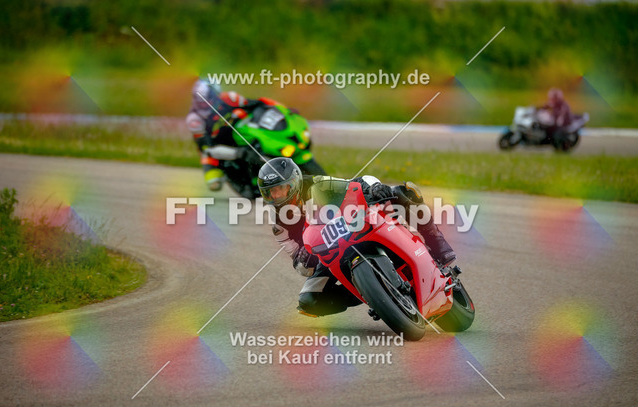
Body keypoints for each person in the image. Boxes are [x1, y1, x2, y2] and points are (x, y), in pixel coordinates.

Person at [257, 157, 456, 317]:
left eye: (280, 189)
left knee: (401, 192)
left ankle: (437, 244)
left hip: (353, 224)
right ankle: (372, 295)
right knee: (310, 301)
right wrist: (303, 259)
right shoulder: (280, 225)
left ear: (294, 182)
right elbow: (298, 263)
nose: (276, 197)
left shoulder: (317, 183)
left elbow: (355, 183)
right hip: (327, 254)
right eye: (270, 192)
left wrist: (374, 188)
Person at [186, 78, 266, 191]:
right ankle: (228, 174)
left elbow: (254, 104)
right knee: (214, 184)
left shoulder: (230, 98)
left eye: (206, 100)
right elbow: (207, 147)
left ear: (215, 95)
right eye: (200, 101)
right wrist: (238, 153)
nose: (203, 104)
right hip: (214, 150)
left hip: (235, 135)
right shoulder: (194, 119)